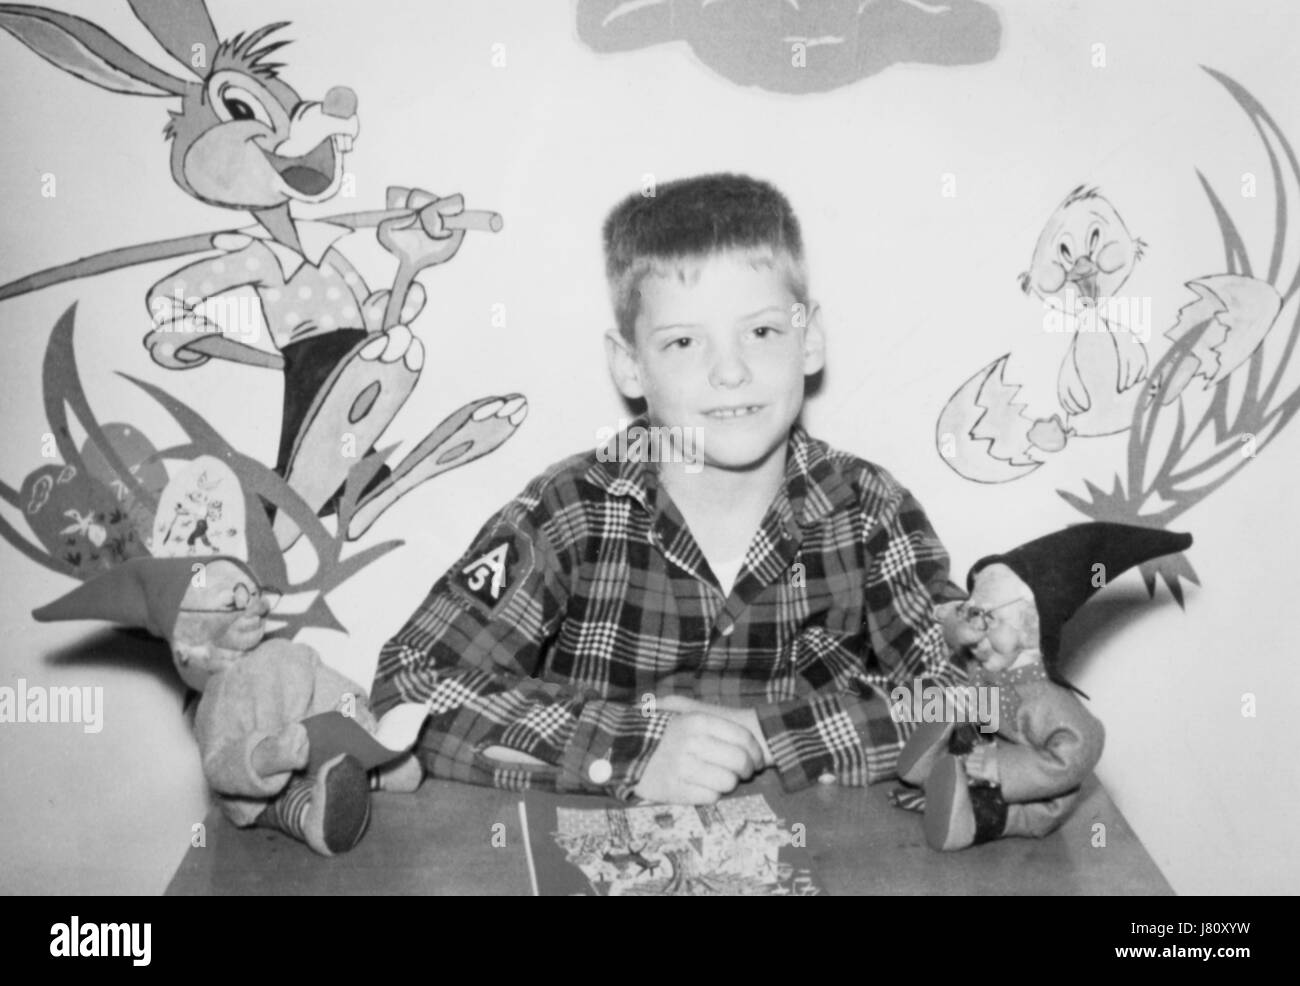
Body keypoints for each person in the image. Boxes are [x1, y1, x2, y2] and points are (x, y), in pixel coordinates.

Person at [371, 173, 967, 804]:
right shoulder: (570, 512)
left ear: (809, 338)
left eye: (761, 332)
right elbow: (411, 686)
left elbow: (973, 699)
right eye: (683, 342)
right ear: (630, 364)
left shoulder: (871, 512)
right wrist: (630, 749)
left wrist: (767, 737)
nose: (731, 371)